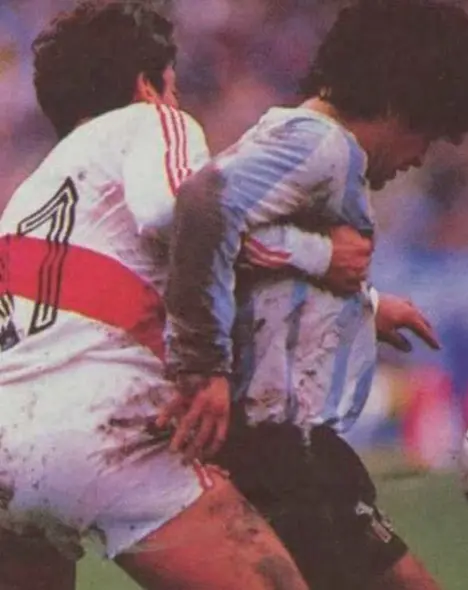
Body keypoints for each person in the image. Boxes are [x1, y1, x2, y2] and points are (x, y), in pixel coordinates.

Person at [161, 1, 468, 587]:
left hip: (291, 442)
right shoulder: (322, 146)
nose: (421, 156)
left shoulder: (296, 136)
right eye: (426, 132)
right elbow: (198, 207)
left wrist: (363, 307)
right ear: (400, 101)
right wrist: (202, 370)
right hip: (277, 444)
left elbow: (252, 259)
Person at [0, 3, 312, 588]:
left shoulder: (26, 200)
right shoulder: (150, 122)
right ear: (148, 84)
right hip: (97, 429)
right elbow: (182, 212)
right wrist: (314, 259)